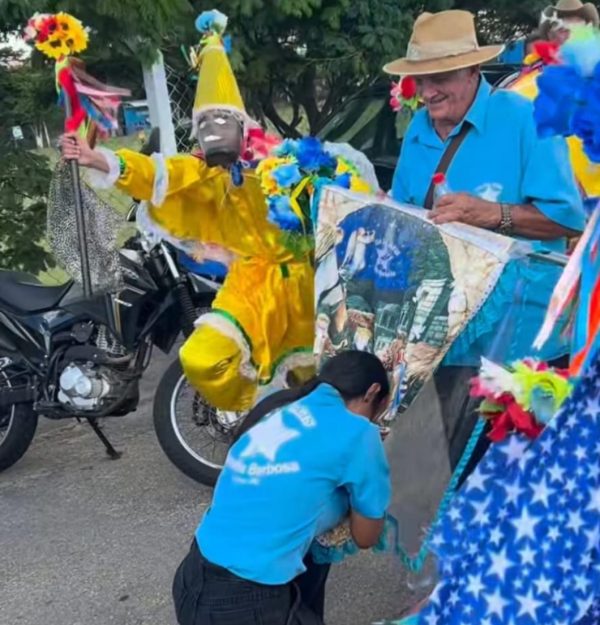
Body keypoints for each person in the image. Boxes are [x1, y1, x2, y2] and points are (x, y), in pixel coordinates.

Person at [61, 10, 376, 413]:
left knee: (325, 389)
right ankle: (257, 410)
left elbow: (347, 192)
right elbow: (158, 173)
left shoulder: (285, 160)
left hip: (308, 289)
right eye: (204, 122)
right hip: (253, 284)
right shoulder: (205, 171)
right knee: (202, 358)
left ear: (242, 124)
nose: (212, 130)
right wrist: (96, 158)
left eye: (221, 119)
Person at [383, 9, 586, 469]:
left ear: (473, 69)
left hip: (519, 342)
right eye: (421, 79)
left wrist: (492, 215)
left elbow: (568, 220)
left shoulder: (524, 118)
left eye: (441, 77)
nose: (428, 91)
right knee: (447, 477)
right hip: (447, 339)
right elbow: (406, 214)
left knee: (513, 480)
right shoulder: (418, 129)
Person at [171, 350, 391, 625]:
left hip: (191, 580)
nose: (373, 421)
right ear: (372, 393)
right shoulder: (359, 432)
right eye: (378, 412)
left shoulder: (278, 407)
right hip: (245, 605)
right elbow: (366, 536)